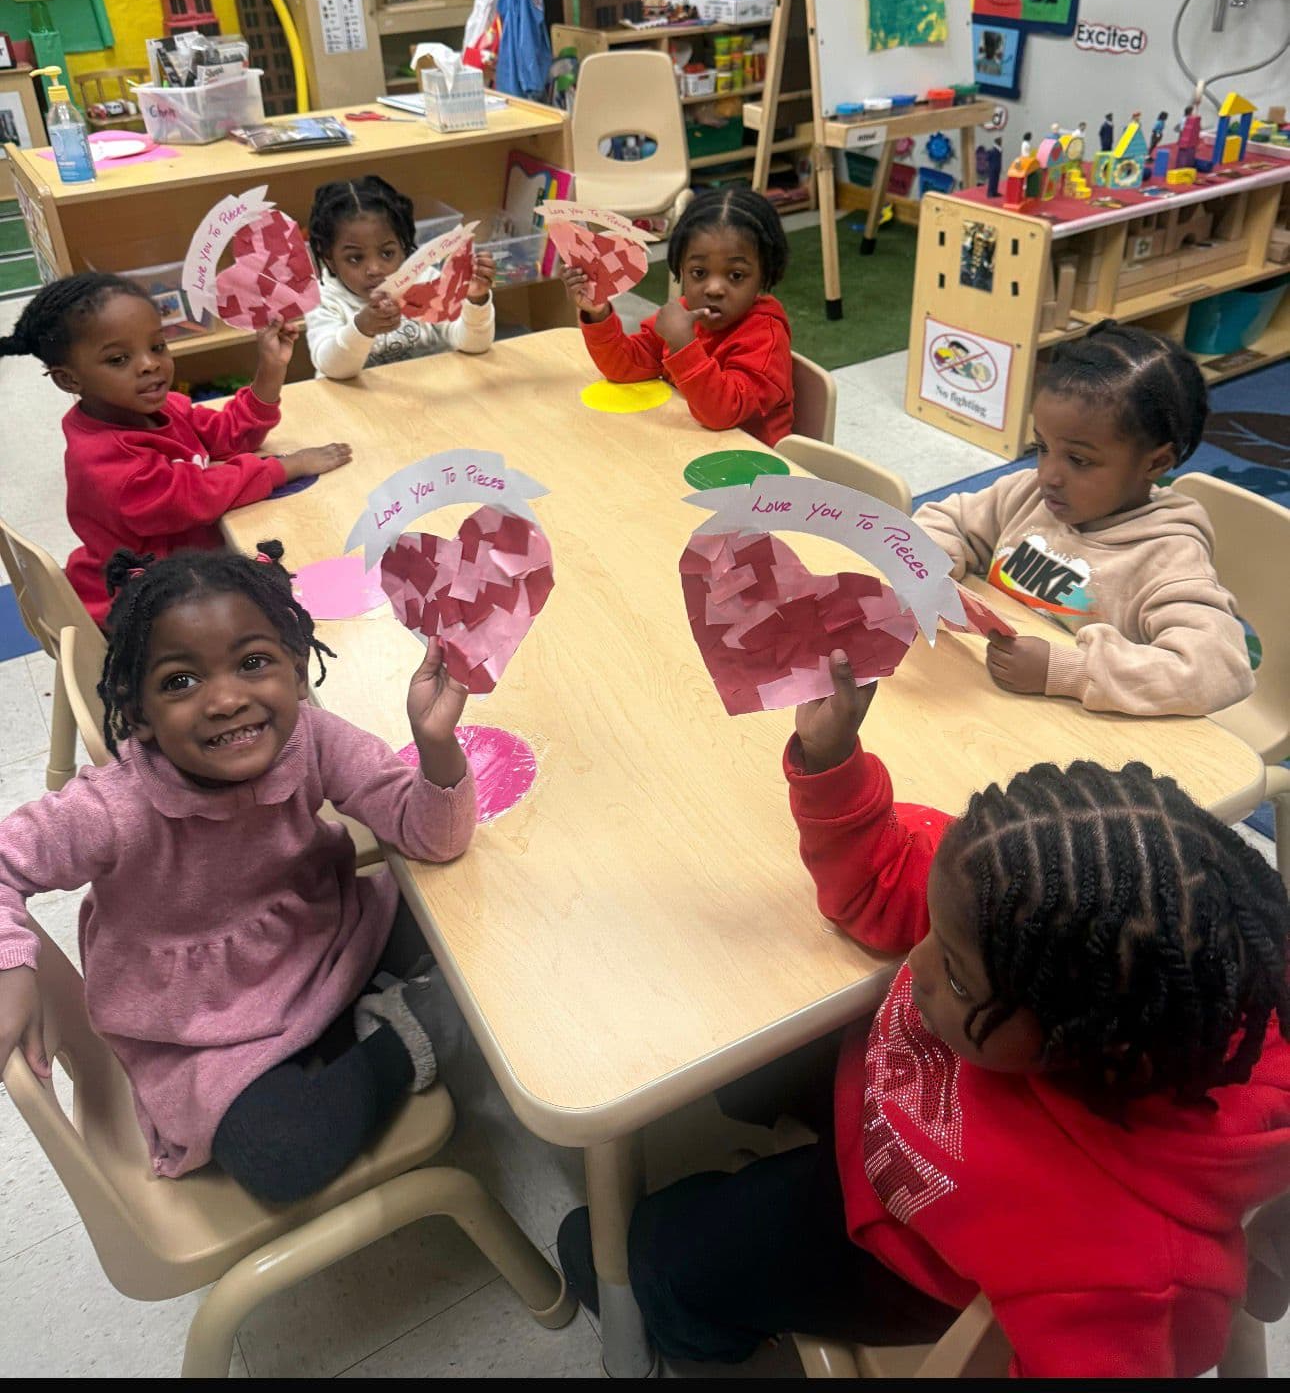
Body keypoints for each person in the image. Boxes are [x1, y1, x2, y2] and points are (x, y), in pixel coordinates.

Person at [557, 655, 1290, 1377]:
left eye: (961, 984)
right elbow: (886, 876)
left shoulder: (1129, 1268)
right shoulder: (1025, 905)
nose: (918, 964)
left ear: (1092, 1042)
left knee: (633, 1259)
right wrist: (832, 758)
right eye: (935, 937)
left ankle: (704, 1335)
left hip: (904, 1252)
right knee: (718, 1041)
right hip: (885, 1112)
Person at [0, 544, 476, 1204]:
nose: (226, 699)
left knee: (488, 927)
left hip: (325, 940)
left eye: (253, 663)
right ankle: (413, 1024)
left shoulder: (309, 736)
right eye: (179, 682)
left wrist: (435, 747)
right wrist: (8, 961)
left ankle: (359, 1027)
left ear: (294, 668)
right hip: (198, 1026)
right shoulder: (114, 808)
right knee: (279, 1157)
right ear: (137, 714)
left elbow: (431, 837)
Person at [912, 321, 1253, 715]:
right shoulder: (1028, 494)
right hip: (981, 701)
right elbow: (945, 518)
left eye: (1079, 459)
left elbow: (1218, 669)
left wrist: (1070, 671)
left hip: (1076, 731)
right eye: (1042, 446)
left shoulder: (1168, 556)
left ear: (1155, 462)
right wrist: (928, 562)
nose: (1049, 475)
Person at [0, 272, 351, 626]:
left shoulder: (161, 408)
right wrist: (284, 467)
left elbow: (228, 436)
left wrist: (270, 372)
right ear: (70, 380)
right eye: (119, 359)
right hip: (148, 601)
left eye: (157, 346)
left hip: (189, 568)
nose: (150, 364)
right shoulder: (106, 461)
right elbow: (194, 495)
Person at [563, 186, 794, 446]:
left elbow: (722, 412)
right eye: (698, 273)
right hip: (695, 450)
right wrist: (598, 313)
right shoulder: (685, 313)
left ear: (764, 275)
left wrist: (684, 345)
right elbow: (624, 367)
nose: (714, 288)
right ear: (680, 268)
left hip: (753, 470)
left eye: (736, 276)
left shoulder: (765, 336)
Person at [306, 175, 496, 378]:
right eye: (355, 258)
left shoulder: (426, 280)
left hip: (431, 397)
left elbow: (474, 345)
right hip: (358, 406)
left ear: (404, 246)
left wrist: (475, 300)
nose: (374, 269)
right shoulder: (323, 299)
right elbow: (332, 368)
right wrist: (362, 328)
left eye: (387, 253)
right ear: (329, 258)